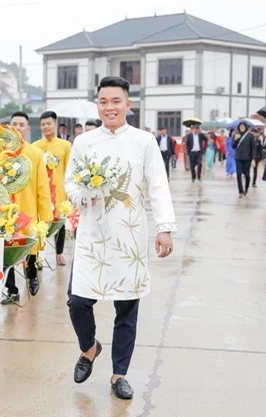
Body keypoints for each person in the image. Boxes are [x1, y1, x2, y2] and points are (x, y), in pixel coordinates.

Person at [64, 76, 176, 400]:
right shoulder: (84, 142)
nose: (109, 107)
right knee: (77, 301)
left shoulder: (144, 141)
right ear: (97, 105)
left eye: (116, 101)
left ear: (129, 104)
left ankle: (119, 374)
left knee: (127, 307)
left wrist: (164, 227)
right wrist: (83, 195)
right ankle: (89, 348)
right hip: (92, 234)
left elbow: (157, 184)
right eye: (103, 102)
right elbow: (70, 182)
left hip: (129, 235)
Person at [1, 112, 53, 303]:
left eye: (22, 124)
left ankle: (31, 274)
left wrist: (46, 214)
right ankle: (12, 288)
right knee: (7, 247)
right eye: (14, 124)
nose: (18, 127)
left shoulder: (35, 153)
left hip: (28, 207)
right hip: (5, 209)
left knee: (29, 244)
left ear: (27, 128)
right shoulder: (0, 152)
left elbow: (42, 185)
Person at [34, 111, 72, 266]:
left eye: (49, 123)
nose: (46, 127)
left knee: (60, 223)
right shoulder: (35, 146)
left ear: (56, 125)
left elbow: (69, 170)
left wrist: (69, 192)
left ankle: (59, 253)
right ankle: (39, 256)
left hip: (59, 191)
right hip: (42, 192)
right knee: (39, 225)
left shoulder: (66, 145)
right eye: (43, 124)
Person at [232, 122, 256, 197]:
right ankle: (240, 191)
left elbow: (253, 148)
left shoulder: (250, 136)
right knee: (238, 174)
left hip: (247, 158)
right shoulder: (236, 135)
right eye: (240, 126)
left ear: (246, 127)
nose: (242, 128)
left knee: (247, 175)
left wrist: (253, 159)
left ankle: (246, 188)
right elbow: (233, 146)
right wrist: (236, 139)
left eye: (243, 126)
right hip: (238, 158)